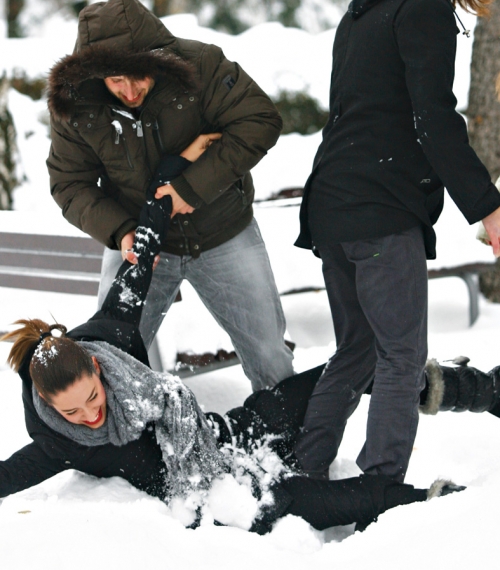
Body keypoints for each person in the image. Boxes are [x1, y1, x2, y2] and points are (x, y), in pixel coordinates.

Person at [1, 141, 481, 533]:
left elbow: (142, 255)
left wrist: (175, 172)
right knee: (315, 501)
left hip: (233, 432)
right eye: (72, 412)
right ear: (50, 408)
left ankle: (481, 390)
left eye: (90, 397)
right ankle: (432, 505)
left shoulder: (112, 336)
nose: (89, 416)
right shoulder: (55, 441)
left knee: (352, 368)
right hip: (219, 489)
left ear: (97, 368)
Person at [293, 0, 500, 483]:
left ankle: (302, 472)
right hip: (379, 212)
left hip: (332, 204)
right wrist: (487, 206)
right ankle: (379, 485)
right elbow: (432, 120)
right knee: (401, 360)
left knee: (356, 354)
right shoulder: (423, 8)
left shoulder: (362, 10)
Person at [46, 0, 294, 391]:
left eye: (139, 76)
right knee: (111, 364)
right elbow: (68, 182)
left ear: (157, 60)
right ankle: (126, 449)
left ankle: (290, 446)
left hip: (223, 233)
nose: (129, 91)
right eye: (115, 80)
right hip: (141, 243)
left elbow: (259, 120)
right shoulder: (78, 105)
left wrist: (190, 190)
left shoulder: (201, 67)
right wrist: (121, 230)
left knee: (270, 355)